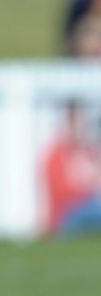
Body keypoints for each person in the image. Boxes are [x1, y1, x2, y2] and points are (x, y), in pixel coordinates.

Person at [41, 99, 101, 235]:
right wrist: (88, 186)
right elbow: (62, 194)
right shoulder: (56, 154)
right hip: (66, 218)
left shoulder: (89, 152)